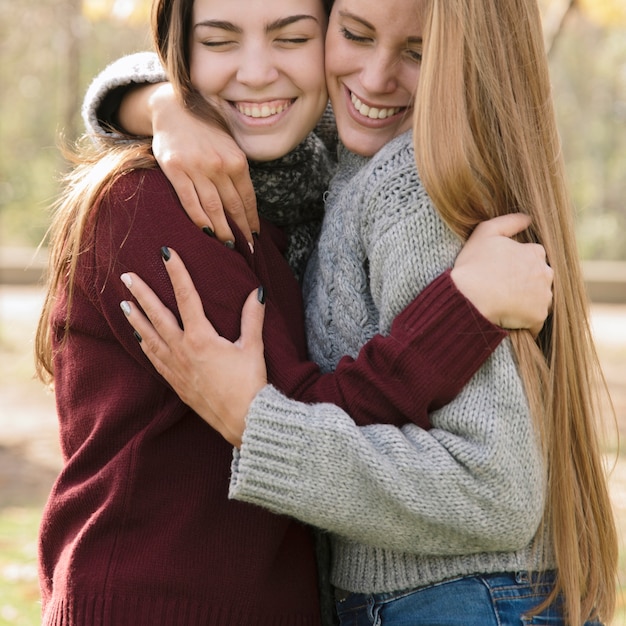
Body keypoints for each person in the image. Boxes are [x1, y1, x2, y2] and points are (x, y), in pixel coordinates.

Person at [34, 0, 553, 624]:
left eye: (292, 37)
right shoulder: (154, 205)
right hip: (158, 602)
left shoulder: (306, 188)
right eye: (220, 41)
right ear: (182, 57)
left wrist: (154, 102)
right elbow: (299, 413)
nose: (256, 72)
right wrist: (464, 310)